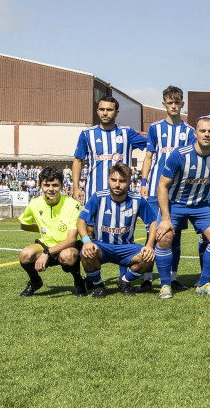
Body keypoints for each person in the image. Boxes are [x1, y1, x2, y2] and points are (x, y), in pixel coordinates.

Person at [152, 117, 210, 299]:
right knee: (164, 237)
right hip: (175, 204)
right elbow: (162, 186)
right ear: (195, 134)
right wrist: (165, 218)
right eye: (202, 131)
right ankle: (165, 285)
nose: (206, 134)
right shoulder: (180, 154)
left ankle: (203, 283)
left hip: (201, 206)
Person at [139, 86, 194, 292]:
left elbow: (189, 161)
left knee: (175, 234)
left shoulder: (189, 132)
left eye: (177, 102)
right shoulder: (155, 128)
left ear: (182, 104)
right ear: (164, 104)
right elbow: (149, 156)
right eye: (169, 103)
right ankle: (146, 277)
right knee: (152, 233)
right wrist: (143, 183)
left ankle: (172, 278)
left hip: (177, 191)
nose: (173, 106)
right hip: (155, 188)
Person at [77, 163, 158, 298]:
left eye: (122, 181)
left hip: (126, 247)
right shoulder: (98, 197)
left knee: (148, 257)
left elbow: (152, 222)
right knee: (86, 253)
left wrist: (149, 246)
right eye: (114, 180)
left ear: (129, 182)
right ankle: (98, 285)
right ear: (109, 180)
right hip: (102, 246)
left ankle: (124, 281)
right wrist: (86, 241)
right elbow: (81, 220)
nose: (117, 185)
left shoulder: (137, 200)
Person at [17, 166, 86, 297]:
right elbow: (24, 225)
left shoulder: (72, 204)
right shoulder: (34, 204)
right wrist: (43, 229)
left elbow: (72, 239)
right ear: (40, 185)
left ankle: (78, 281)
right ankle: (35, 281)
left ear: (61, 185)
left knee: (68, 256)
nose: (50, 189)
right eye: (46, 185)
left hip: (66, 246)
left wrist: (47, 253)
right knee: (25, 254)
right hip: (45, 244)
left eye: (55, 185)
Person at [72, 96, 148, 202]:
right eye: (102, 109)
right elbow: (77, 160)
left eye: (109, 110)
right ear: (97, 111)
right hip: (94, 194)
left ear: (117, 113)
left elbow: (152, 143)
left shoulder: (127, 133)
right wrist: (76, 188)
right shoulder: (87, 134)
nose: (105, 113)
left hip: (122, 195)